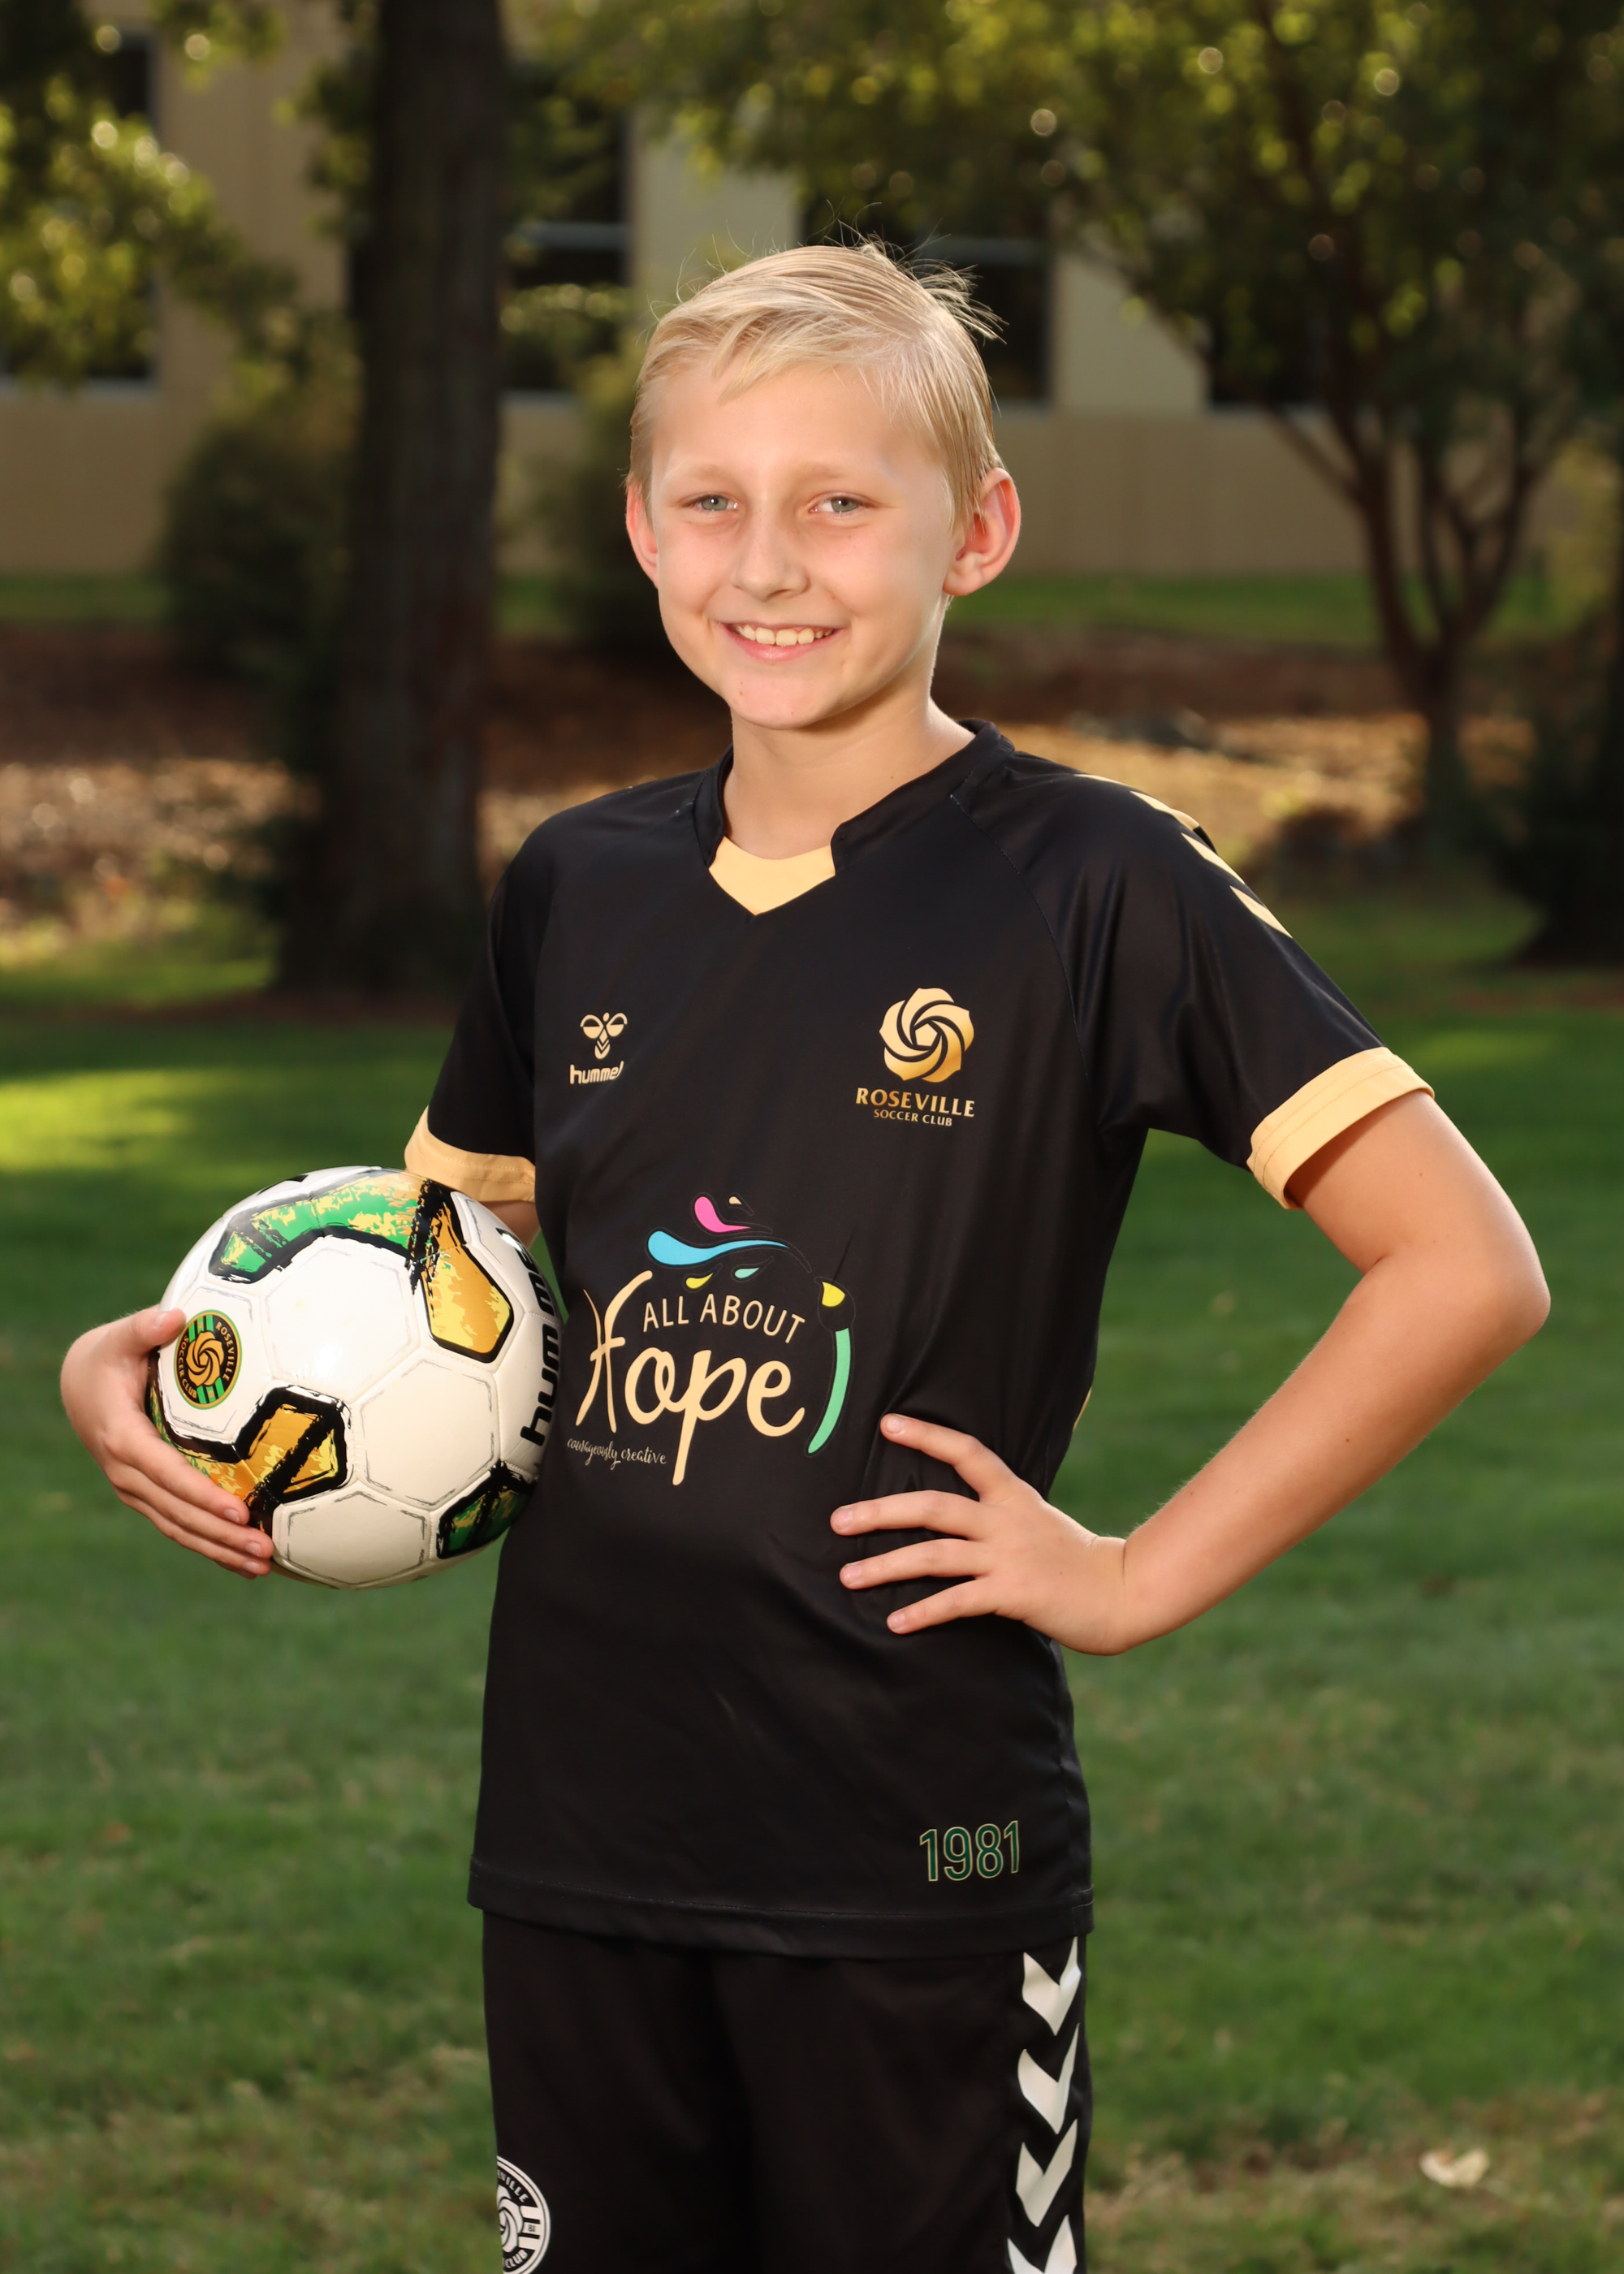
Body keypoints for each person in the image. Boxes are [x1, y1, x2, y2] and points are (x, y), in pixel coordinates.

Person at [61, 244, 1548, 2274]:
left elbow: (1462, 1264)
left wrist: (1130, 1573)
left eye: (841, 499)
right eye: (712, 498)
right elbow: (422, 1280)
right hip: (581, 1840)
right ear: (639, 527)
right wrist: (181, 1375)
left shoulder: (1091, 881)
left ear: (977, 532)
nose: (768, 560)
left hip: (912, 1849)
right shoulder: (575, 888)